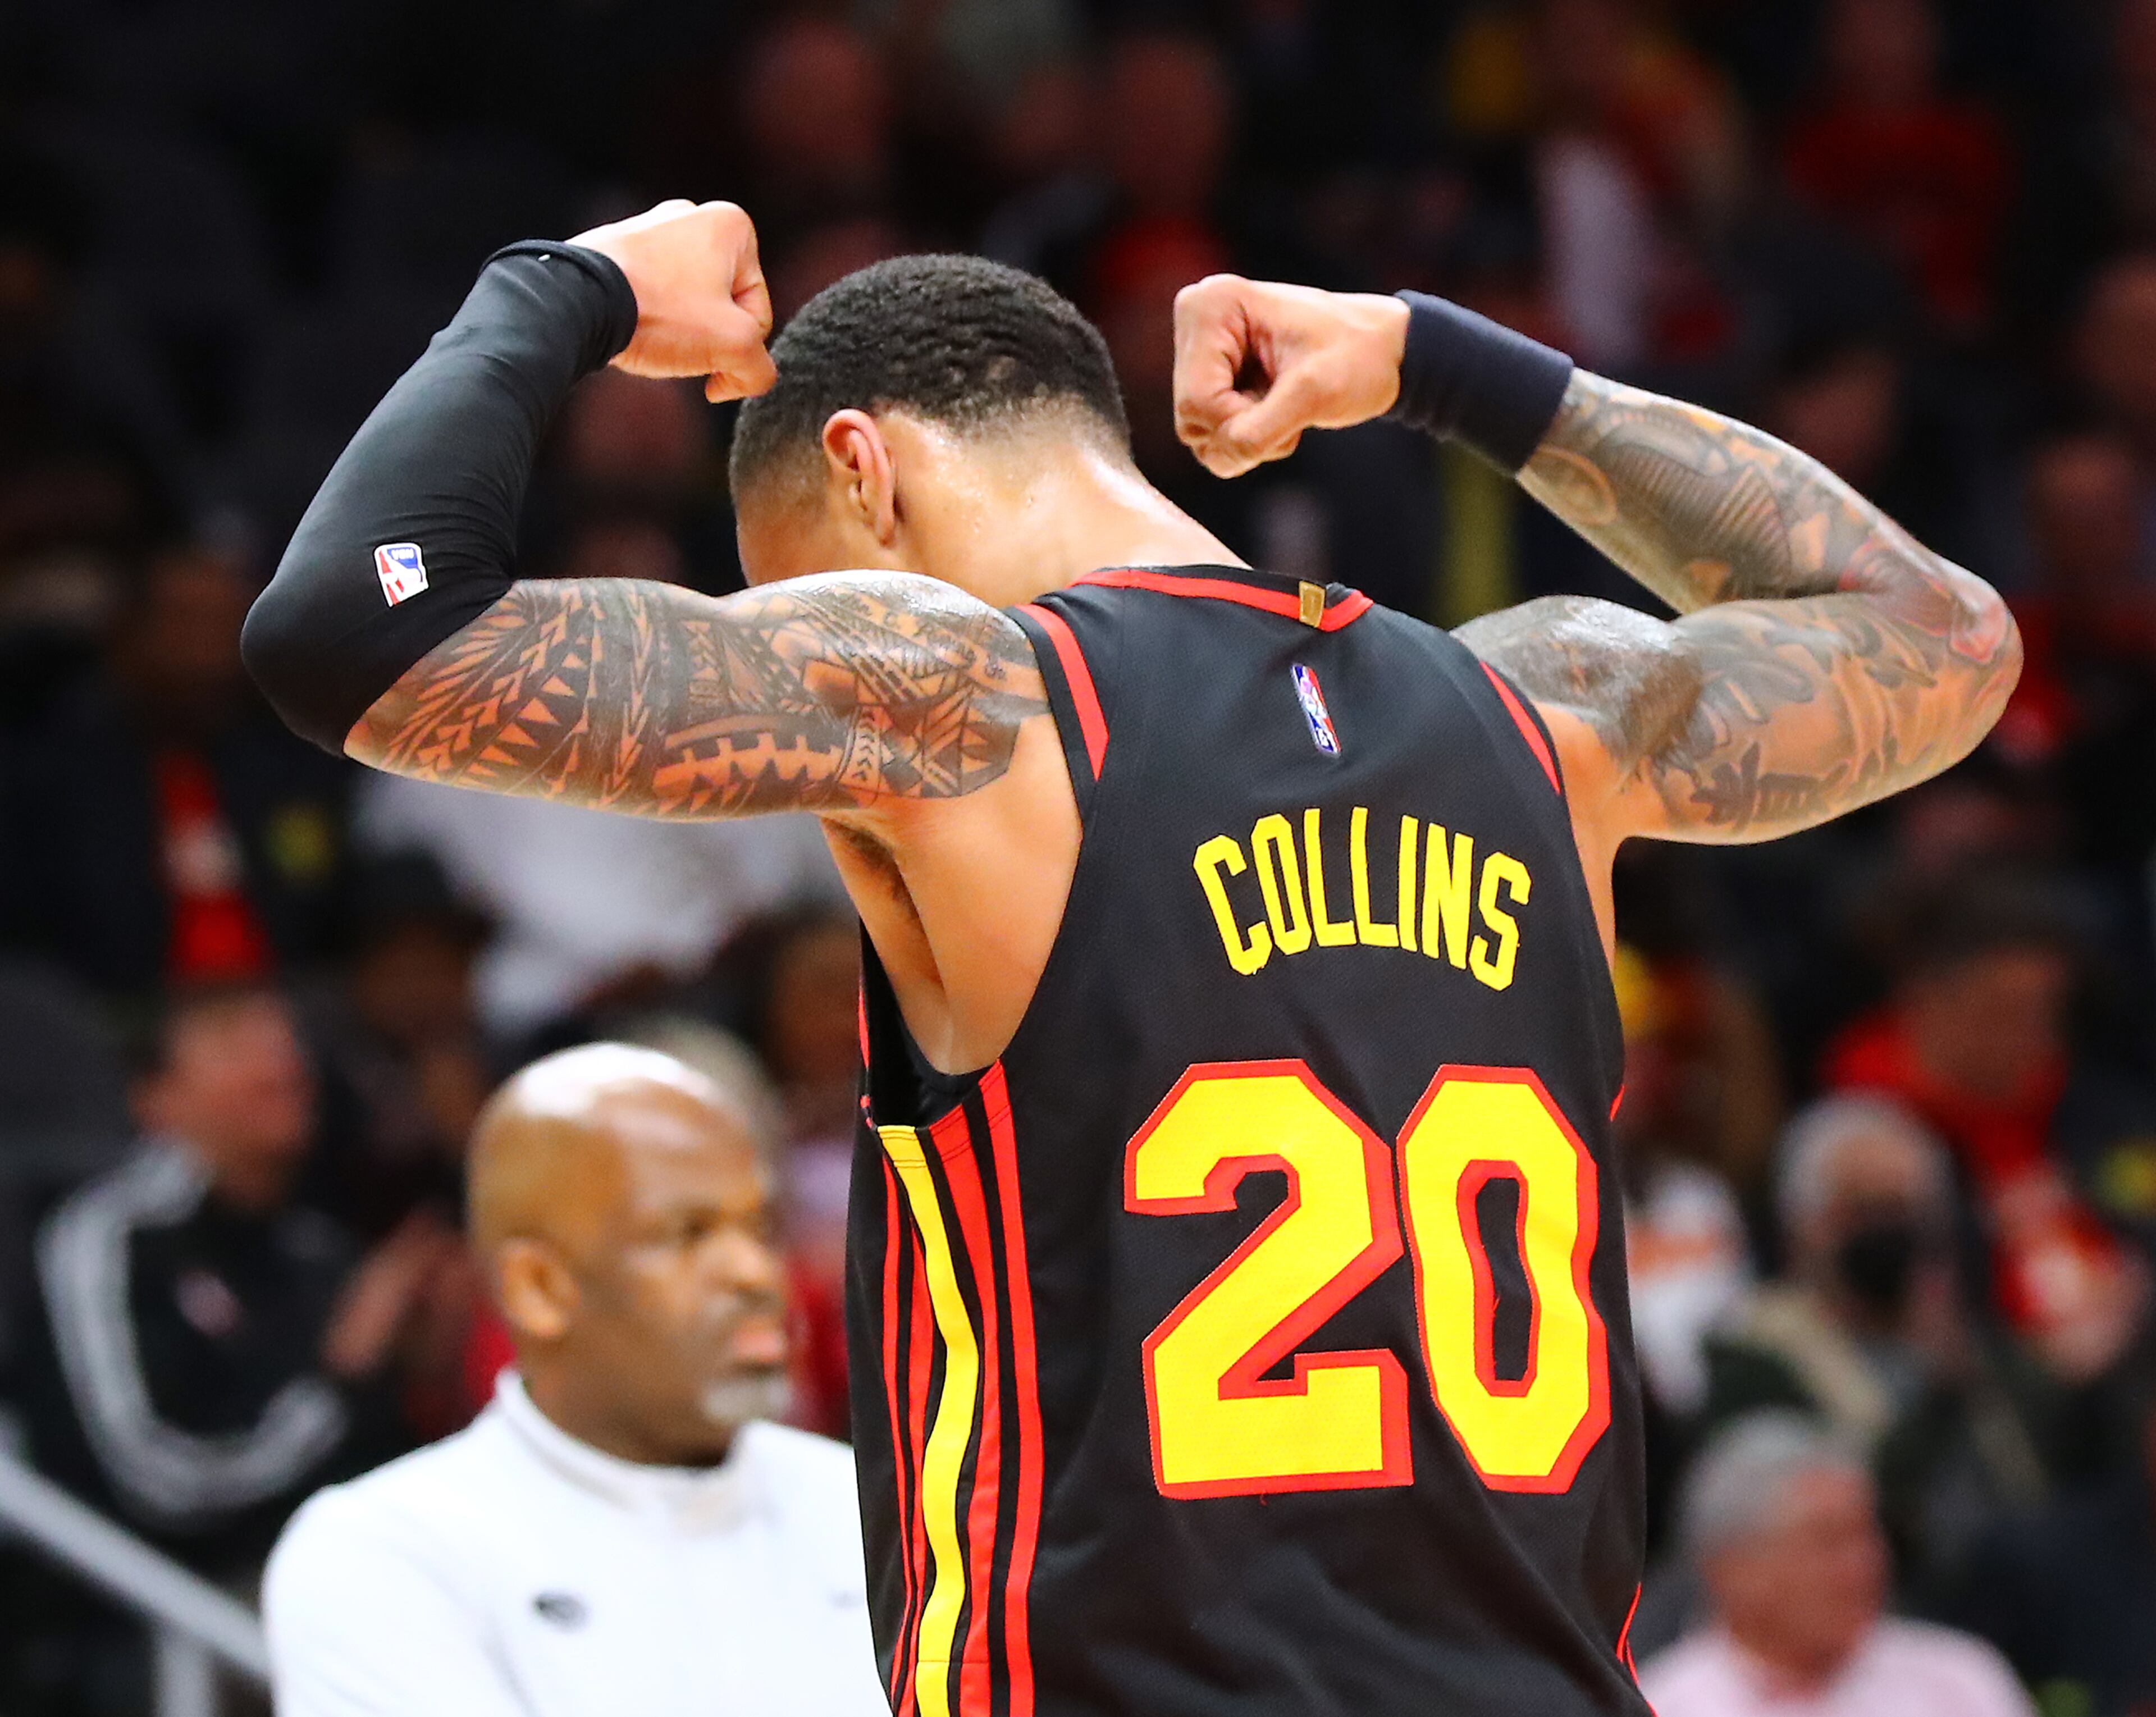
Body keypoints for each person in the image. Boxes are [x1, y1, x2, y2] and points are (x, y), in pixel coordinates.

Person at [240, 198, 2019, 1715]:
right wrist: (1438, 365)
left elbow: (357, 623)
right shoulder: (1539, 713)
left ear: (861, 475)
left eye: (775, 573)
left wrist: (571, 287)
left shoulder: (961, 703)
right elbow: (1936, 632)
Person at [262, 1041, 887, 1717]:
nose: (755, 1274)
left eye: (762, 1227)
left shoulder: (877, 1510)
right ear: (539, 1288)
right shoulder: (383, 1553)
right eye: (688, 1233)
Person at [21, 984, 442, 1574]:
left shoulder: (316, 1247)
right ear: (154, 1096)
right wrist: (342, 1379)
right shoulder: (110, 1239)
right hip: (172, 1624)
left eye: (286, 1041)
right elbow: (153, 1484)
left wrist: (437, 1359)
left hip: (355, 1580)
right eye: (233, 1042)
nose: (280, 1062)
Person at [1703, 1094, 2072, 1604]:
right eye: (1861, 1210)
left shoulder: (1981, 1344)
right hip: (1868, 1613)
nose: (1887, 1230)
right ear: (1804, 1225)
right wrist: (1939, 1397)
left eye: (1903, 1210)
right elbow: (1840, 1515)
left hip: (2018, 1603)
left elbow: (2055, 1478)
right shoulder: (1756, 1357)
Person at [1639, 1413, 2035, 1717]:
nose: (1863, 1565)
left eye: (1868, 1534)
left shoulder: (1957, 1681)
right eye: (1827, 1542)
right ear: (1729, 1568)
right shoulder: (1662, 1706)